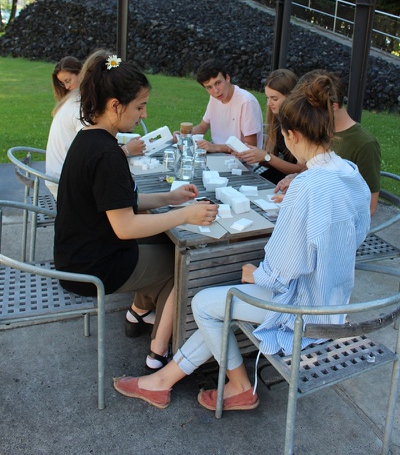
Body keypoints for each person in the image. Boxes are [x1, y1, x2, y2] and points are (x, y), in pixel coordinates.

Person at [113, 73, 371, 410]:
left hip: (305, 307)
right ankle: (162, 381)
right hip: (336, 297)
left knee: (205, 303)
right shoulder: (348, 171)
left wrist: (255, 274)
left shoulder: (307, 187)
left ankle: (239, 387)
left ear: (292, 135)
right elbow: (355, 233)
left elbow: (282, 272)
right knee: (222, 301)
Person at [54, 49, 219, 370]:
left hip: (77, 252)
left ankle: (140, 312)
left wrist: (169, 200)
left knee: (163, 242)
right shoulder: (107, 155)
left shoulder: (91, 139)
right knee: (183, 263)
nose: (143, 115)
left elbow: (119, 203)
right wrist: (186, 214)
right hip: (90, 267)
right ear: (115, 105)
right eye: (140, 106)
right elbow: (125, 226)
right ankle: (158, 354)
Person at [274, 70, 381, 215]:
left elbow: (369, 208)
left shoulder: (365, 144)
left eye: (309, 107)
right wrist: (297, 180)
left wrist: (304, 203)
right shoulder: (316, 133)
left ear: (333, 106)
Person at [46, 56, 145, 199]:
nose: (66, 87)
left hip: (64, 180)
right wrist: (126, 150)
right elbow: (96, 154)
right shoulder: (80, 110)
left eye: (68, 81)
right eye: (139, 107)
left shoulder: (76, 102)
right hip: (64, 185)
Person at [234, 69, 305, 185]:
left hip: (294, 180)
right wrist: (252, 155)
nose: (269, 103)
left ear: (291, 97)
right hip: (280, 175)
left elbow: (301, 170)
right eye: (267, 98)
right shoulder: (277, 120)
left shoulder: (302, 124)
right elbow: (272, 161)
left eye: (274, 99)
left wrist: (266, 157)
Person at [178, 59, 263, 153]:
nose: (215, 91)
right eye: (209, 87)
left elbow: (250, 146)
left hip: (241, 159)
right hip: (218, 155)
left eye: (218, 83)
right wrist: (183, 136)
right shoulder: (215, 98)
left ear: (227, 78)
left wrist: (216, 147)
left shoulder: (246, 101)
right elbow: (203, 127)